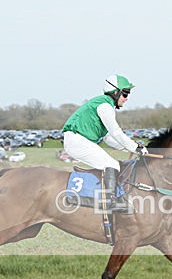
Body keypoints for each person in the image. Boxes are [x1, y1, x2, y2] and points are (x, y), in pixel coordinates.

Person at [61, 74, 147, 212]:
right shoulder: (105, 106)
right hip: (77, 141)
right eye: (125, 94)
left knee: (113, 164)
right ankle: (110, 202)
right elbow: (116, 132)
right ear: (115, 92)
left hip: (78, 140)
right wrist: (135, 147)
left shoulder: (105, 105)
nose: (126, 98)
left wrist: (130, 148)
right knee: (111, 165)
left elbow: (109, 138)